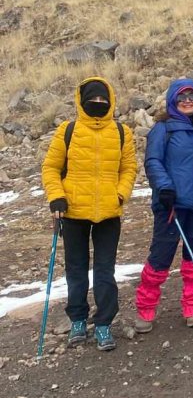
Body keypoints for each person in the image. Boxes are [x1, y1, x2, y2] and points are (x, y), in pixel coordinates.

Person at [41, 77, 137, 351]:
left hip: (108, 212)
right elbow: (50, 167)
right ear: (81, 102)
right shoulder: (67, 130)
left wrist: (120, 194)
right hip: (71, 212)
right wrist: (56, 197)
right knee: (76, 269)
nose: (97, 104)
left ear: (110, 102)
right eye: (92, 101)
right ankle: (78, 320)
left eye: (102, 101)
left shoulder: (121, 132)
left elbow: (128, 168)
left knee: (105, 270)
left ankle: (104, 323)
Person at [135, 78, 193, 332]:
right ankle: (145, 308)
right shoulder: (162, 128)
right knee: (160, 256)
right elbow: (153, 161)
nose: (188, 101)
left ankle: (192, 306)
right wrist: (164, 187)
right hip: (171, 202)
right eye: (182, 97)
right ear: (173, 101)